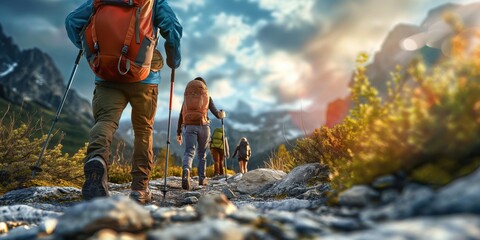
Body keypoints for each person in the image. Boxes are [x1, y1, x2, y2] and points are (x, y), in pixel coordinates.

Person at [65, 0, 182, 204]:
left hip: (107, 75)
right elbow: (172, 28)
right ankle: (139, 189)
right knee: (143, 129)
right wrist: (174, 59)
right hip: (144, 77)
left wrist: (92, 51)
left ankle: (97, 160)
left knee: (105, 122)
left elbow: (72, 22)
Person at [176, 77, 225, 190]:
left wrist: (178, 132)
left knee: (189, 152)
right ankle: (202, 179)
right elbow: (217, 114)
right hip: (204, 127)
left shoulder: (187, 99)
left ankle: (186, 170)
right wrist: (222, 114)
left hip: (189, 127)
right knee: (202, 154)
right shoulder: (207, 97)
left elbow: (181, 115)